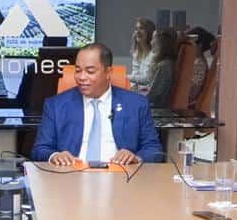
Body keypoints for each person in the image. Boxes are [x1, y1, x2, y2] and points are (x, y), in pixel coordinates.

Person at [31, 43, 164, 166]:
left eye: (90, 71)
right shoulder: (55, 105)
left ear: (108, 73)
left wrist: (135, 157)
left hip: (121, 175)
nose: (81, 77)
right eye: (78, 70)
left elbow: (154, 150)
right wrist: (55, 156)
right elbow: (40, 150)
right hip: (71, 175)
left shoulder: (136, 104)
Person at [141, 28, 180, 109]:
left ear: (161, 42)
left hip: (157, 109)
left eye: (153, 39)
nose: (151, 42)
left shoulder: (164, 66)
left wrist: (133, 95)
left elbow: (152, 96)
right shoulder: (166, 63)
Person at [184, 26, 217, 105]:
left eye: (188, 44)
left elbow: (192, 93)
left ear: (199, 45)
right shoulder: (196, 62)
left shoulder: (199, 64)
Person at [127, 18, 156, 88]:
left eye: (141, 28)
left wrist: (125, 77)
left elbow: (147, 79)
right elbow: (135, 75)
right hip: (138, 91)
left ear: (149, 33)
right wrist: (132, 88)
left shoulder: (154, 54)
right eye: (136, 29)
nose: (137, 32)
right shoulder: (136, 52)